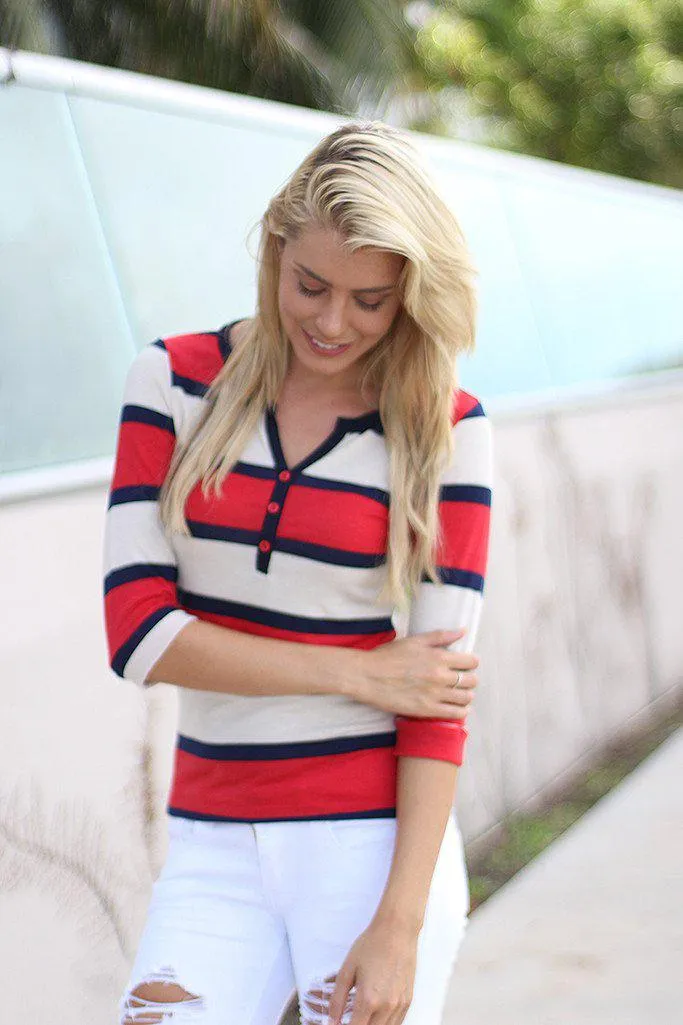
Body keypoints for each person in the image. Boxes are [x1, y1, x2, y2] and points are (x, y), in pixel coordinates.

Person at [103, 121, 493, 1025]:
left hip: (372, 845)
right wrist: (356, 671)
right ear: (274, 249)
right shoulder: (172, 383)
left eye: (370, 300)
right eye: (309, 285)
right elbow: (138, 633)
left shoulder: (446, 426)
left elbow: (437, 694)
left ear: (411, 295)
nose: (331, 321)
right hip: (211, 837)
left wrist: (400, 922)